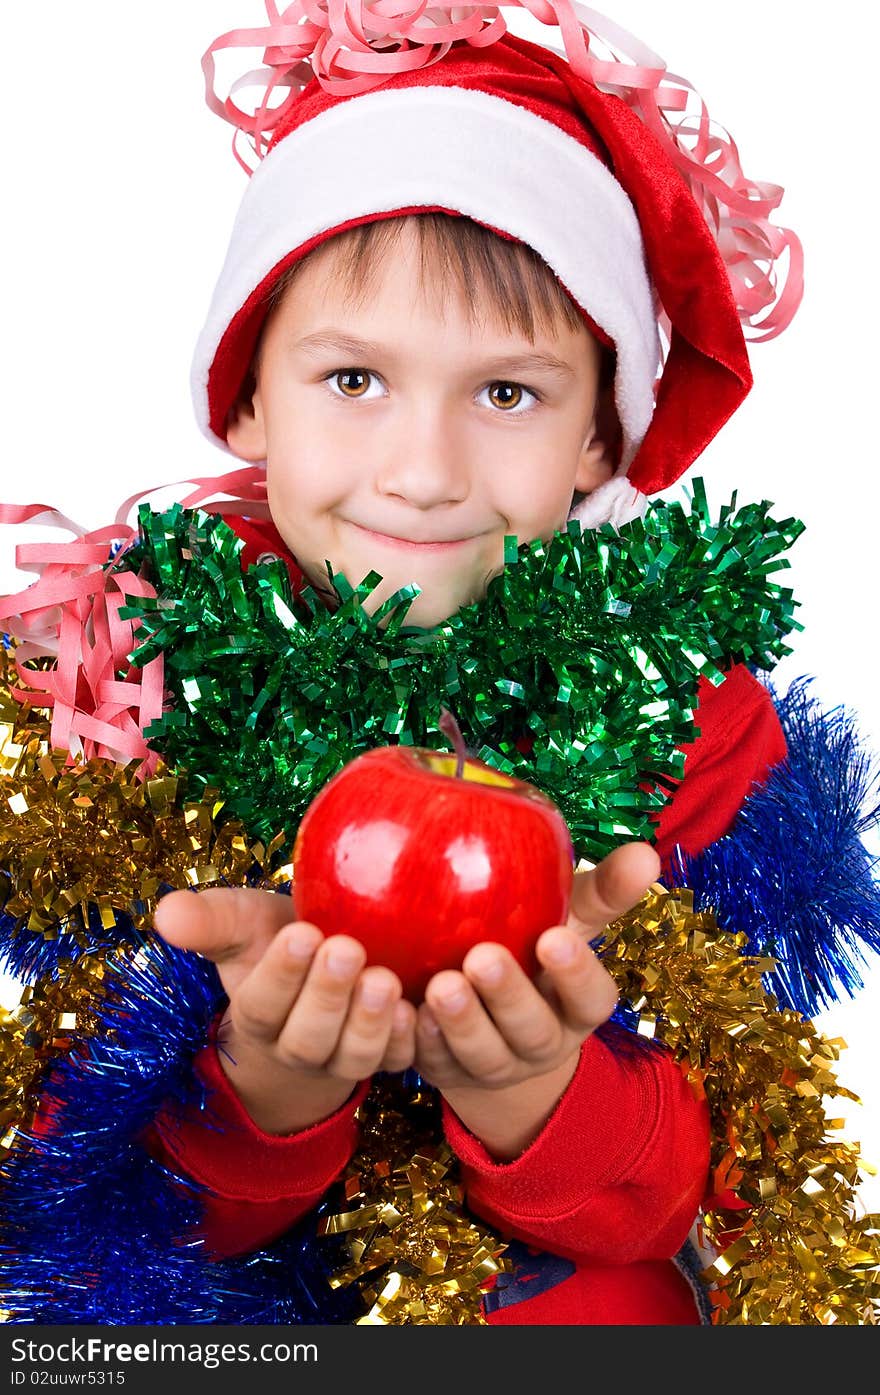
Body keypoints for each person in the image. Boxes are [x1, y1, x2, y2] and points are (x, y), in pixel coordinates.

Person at [1, 2, 877, 1328]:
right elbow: (75, 1203)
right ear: (244, 398)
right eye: (354, 379)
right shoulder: (136, 694)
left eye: (508, 394)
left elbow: (727, 1176)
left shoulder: (676, 709)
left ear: (600, 438)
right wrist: (267, 1090)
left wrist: (537, 1094)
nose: (423, 473)